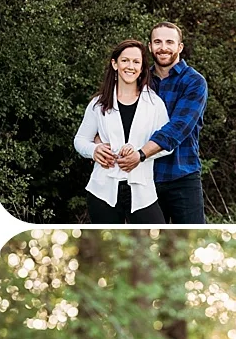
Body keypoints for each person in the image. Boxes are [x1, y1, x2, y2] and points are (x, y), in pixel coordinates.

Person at [73, 39, 174, 224]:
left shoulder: (154, 104)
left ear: (142, 67)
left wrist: (140, 154)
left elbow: (169, 146)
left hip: (143, 192)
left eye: (136, 62)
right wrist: (95, 151)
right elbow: (80, 140)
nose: (130, 66)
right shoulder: (98, 104)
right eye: (125, 60)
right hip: (102, 190)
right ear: (115, 64)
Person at [118, 22, 207, 224]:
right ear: (150, 47)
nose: (163, 47)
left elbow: (178, 128)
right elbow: (113, 112)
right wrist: (98, 142)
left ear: (180, 47)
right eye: (157, 42)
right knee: (145, 242)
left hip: (181, 175)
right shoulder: (139, 80)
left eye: (169, 42)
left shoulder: (194, 81)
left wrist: (140, 155)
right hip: (144, 178)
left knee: (190, 238)